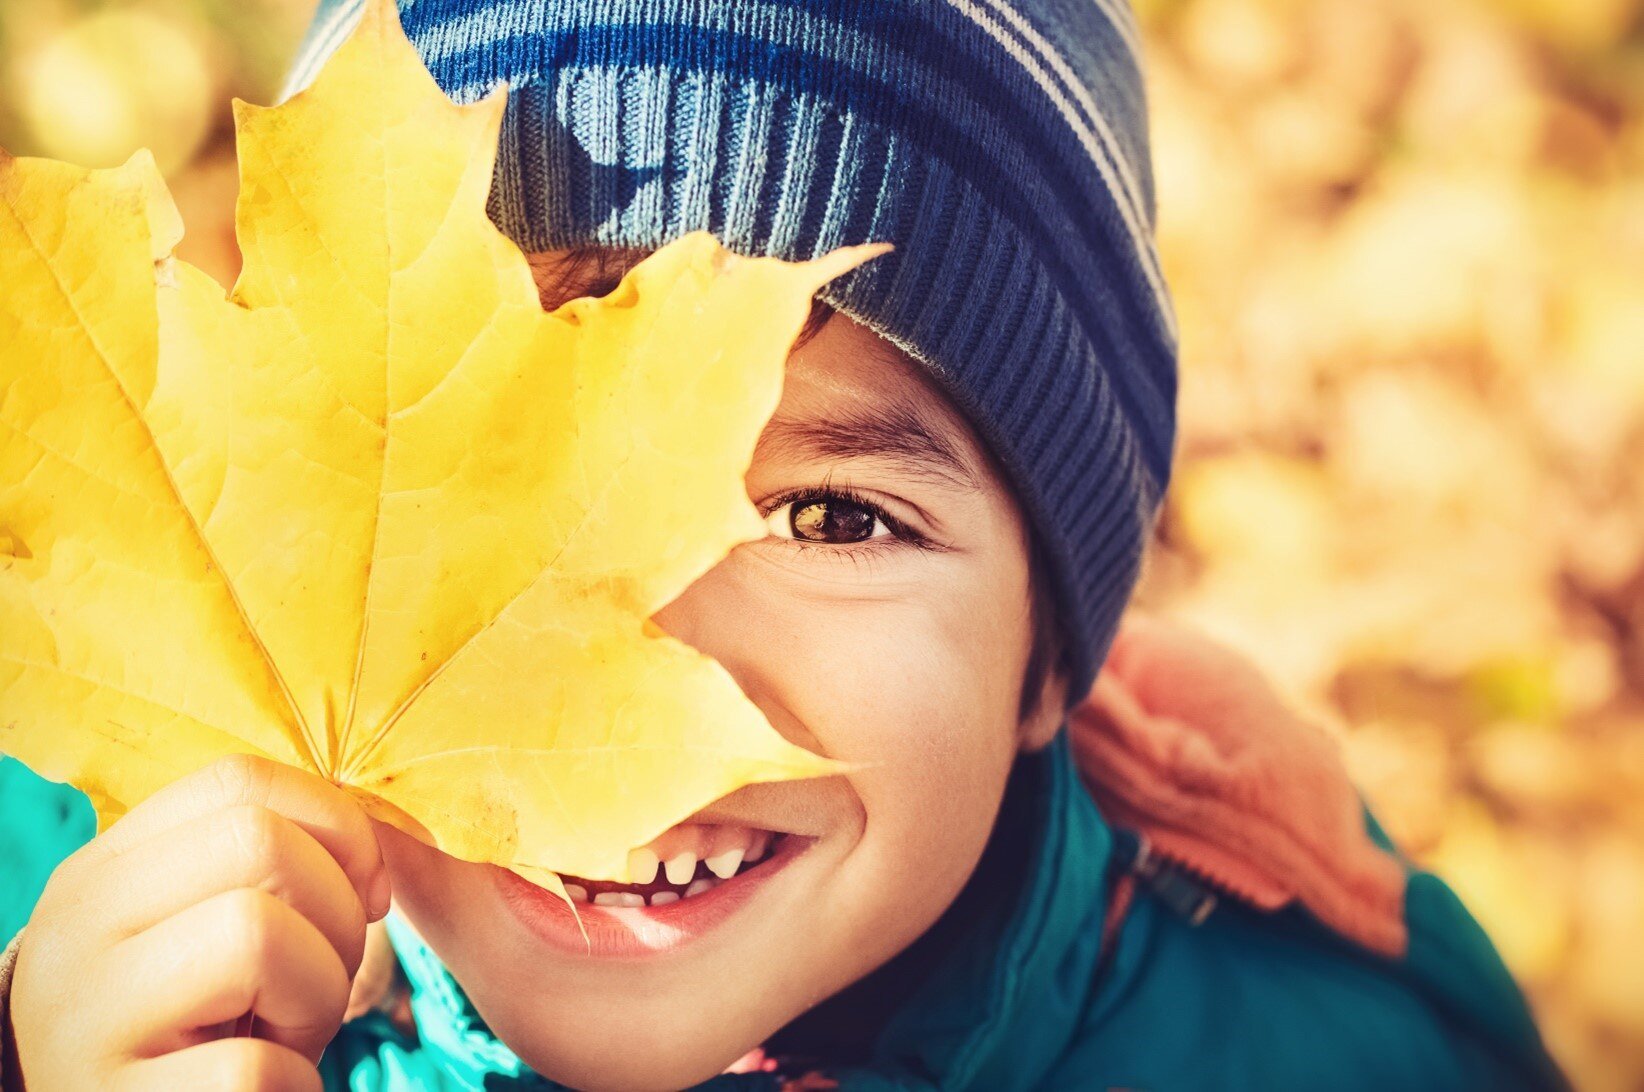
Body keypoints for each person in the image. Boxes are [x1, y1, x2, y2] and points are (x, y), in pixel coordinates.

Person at [0, 1, 1567, 1088]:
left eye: (834, 516)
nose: (650, 641)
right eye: (524, 480)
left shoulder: (1338, 1045)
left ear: (1047, 665)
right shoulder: (62, 901)